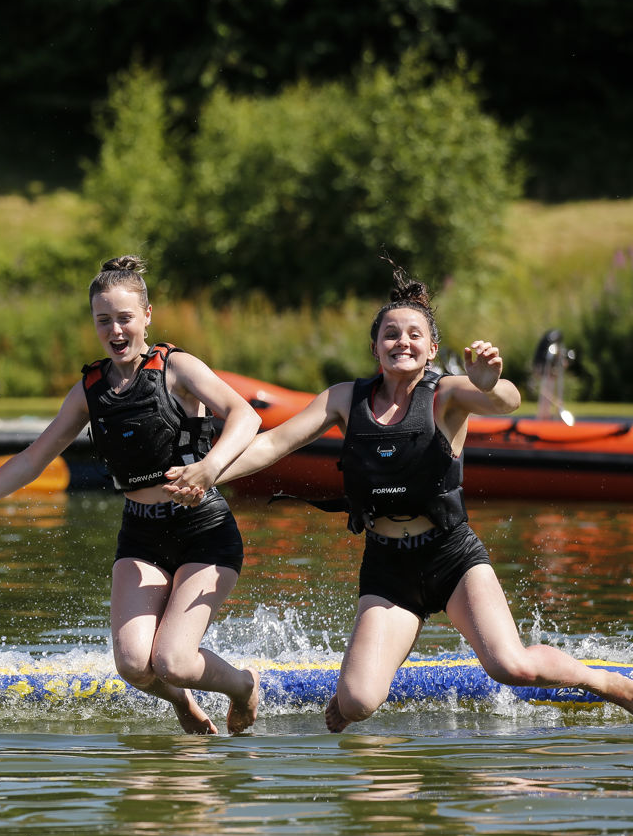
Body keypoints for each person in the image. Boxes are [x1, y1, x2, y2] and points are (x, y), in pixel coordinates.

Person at [215, 268, 633, 731]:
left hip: (452, 556)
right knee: (355, 703)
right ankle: (374, 663)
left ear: (432, 348)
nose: (403, 342)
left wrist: (489, 381)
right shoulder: (343, 399)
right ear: (374, 347)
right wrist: (208, 473)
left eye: (415, 335)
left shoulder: (449, 394)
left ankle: (606, 684)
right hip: (388, 566)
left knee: (511, 667)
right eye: (390, 335)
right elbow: (273, 445)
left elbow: (508, 402)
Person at [0, 256, 263, 734]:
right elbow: (33, 458)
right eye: (103, 320)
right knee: (133, 665)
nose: (116, 330)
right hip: (142, 534)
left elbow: (245, 416)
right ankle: (183, 704)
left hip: (204, 529)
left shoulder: (177, 367)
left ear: (147, 315)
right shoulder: (90, 389)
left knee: (172, 659)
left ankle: (243, 686)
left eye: (125, 318)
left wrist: (208, 470)